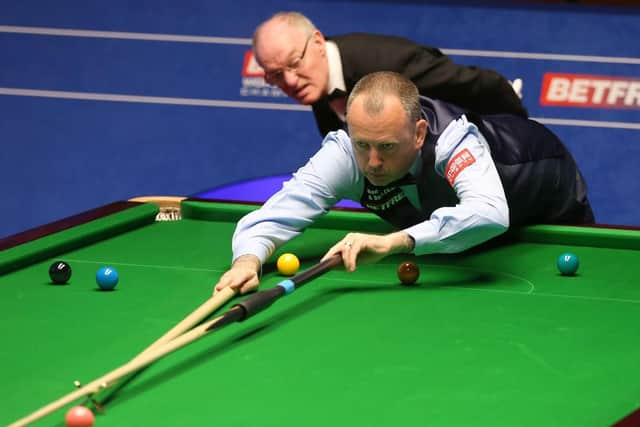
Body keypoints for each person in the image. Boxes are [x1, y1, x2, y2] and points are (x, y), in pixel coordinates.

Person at [214, 72, 593, 295]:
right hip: (457, 216)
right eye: (363, 144)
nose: (373, 162)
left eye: (387, 147)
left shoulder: (453, 141)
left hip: (544, 182)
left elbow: (488, 213)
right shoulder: (346, 153)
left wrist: (393, 242)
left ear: (418, 133)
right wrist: (248, 260)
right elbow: (273, 217)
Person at [252, 11, 528, 137]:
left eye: (294, 63)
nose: (289, 81)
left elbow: (478, 86)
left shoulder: (393, 63)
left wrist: (516, 131)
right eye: (275, 75)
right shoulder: (315, 80)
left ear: (317, 43)